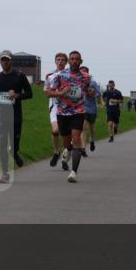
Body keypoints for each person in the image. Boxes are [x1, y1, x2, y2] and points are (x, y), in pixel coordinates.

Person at [44, 50, 90, 183]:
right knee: (66, 142)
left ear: (81, 61)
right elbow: (48, 93)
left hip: (78, 111)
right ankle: (67, 150)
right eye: (72, 59)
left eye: (77, 59)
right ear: (69, 61)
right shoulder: (60, 75)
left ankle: (74, 172)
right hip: (62, 113)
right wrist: (61, 93)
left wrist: (90, 92)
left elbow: (86, 90)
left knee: (76, 139)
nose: (74, 61)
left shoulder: (86, 77)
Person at [0, 50, 34, 183]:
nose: (5, 62)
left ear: (11, 61)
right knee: (2, 144)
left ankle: (15, 153)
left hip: (16, 116)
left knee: (13, 146)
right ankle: (5, 174)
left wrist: (17, 95)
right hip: (1, 115)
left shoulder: (19, 76)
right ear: (0, 61)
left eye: (7, 59)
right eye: (3, 60)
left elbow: (30, 94)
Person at [45, 53, 68, 167]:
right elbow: (46, 92)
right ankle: (56, 152)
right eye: (58, 60)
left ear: (66, 62)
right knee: (55, 131)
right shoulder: (50, 76)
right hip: (54, 106)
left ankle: (65, 158)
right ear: (55, 61)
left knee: (67, 135)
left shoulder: (70, 75)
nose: (60, 62)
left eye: (63, 60)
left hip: (68, 107)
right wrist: (59, 93)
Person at [79, 66, 103, 151]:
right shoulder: (77, 83)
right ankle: (83, 147)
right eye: (81, 72)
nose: (83, 74)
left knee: (91, 127)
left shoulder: (93, 83)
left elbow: (98, 94)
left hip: (92, 109)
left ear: (88, 74)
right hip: (82, 108)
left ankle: (92, 140)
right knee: (84, 127)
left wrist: (92, 94)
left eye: (84, 72)